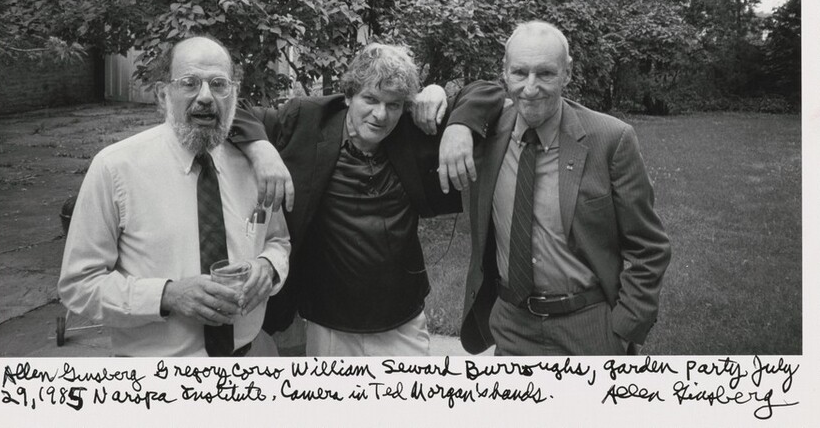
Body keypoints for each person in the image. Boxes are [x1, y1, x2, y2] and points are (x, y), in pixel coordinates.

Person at [230, 42, 503, 356]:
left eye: (393, 104)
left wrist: (458, 125)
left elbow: (489, 93)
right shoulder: (305, 120)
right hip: (328, 320)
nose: (381, 115)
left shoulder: (411, 128)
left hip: (402, 319)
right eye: (370, 99)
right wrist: (260, 149)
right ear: (348, 95)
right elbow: (231, 110)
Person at [438, 21, 671, 356]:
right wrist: (444, 109)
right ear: (504, 73)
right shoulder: (484, 135)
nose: (530, 88)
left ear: (567, 73)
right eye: (520, 73)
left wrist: (624, 327)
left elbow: (649, 248)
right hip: (511, 325)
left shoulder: (610, 139)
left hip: (589, 328)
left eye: (545, 73)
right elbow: (416, 107)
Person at [58, 36, 290, 357]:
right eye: (190, 83)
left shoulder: (255, 166)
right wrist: (167, 295)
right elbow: (78, 285)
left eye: (219, 84)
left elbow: (278, 241)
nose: (206, 97)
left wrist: (268, 267)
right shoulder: (115, 168)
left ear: (233, 94)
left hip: (249, 356)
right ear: (162, 93)